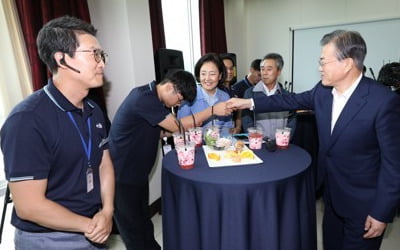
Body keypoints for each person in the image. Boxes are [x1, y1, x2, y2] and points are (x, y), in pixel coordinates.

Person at [227, 30, 400, 250]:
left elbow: (394, 164)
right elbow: (289, 100)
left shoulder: (383, 101)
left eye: (323, 62)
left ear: (346, 63)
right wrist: (247, 103)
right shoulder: (323, 91)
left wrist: (381, 212)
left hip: (364, 205)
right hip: (332, 198)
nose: (319, 68)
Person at [0, 16, 114, 249]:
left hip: (93, 224)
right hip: (48, 238)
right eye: (93, 54)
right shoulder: (27, 120)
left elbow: (104, 163)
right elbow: (29, 206)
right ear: (62, 59)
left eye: (101, 55)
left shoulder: (93, 109)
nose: (101, 63)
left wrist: (107, 211)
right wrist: (89, 225)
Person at [109, 69, 229, 250]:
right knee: (133, 232)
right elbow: (177, 126)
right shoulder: (144, 98)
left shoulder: (153, 99)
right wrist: (212, 110)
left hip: (137, 175)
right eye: (180, 100)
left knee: (143, 224)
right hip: (122, 176)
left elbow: (161, 130)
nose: (178, 104)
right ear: (171, 88)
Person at [241, 53, 296, 139]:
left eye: (269, 69)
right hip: (258, 143)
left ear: (279, 72)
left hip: (281, 144)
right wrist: (255, 138)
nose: (264, 73)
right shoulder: (250, 93)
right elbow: (247, 120)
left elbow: (291, 121)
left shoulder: (286, 95)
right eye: (262, 69)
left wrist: (284, 139)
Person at [177, 53, 233, 129]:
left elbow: (227, 128)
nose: (207, 78)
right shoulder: (189, 95)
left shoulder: (225, 97)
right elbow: (179, 127)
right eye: (203, 74)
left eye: (212, 74)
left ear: (220, 76)